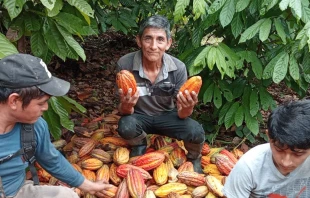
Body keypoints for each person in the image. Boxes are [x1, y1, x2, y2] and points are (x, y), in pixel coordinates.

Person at [0, 54, 110, 198]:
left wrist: (89, 186)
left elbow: (51, 160)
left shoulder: (35, 126)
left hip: (17, 192)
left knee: (66, 195)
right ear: (14, 100)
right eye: (41, 103)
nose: (46, 108)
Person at [116, 15, 205, 173]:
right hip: (139, 116)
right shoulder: (125, 64)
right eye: (148, 39)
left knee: (196, 130)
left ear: (168, 43)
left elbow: (183, 114)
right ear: (139, 41)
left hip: (167, 116)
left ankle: (193, 157)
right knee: (125, 125)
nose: (153, 46)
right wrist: (127, 105)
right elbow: (124, 112)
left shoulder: (178, 68)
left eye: (160, 40)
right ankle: (140, 144)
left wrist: (188, 107)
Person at [223, 100, 310, 198]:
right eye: (279, 149)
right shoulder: (249, 167)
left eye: (298, 153)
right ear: (269, 136)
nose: (286, 162)